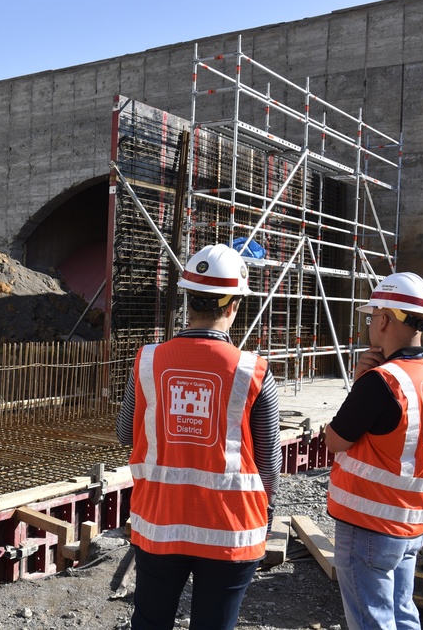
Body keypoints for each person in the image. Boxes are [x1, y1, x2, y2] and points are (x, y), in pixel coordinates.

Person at [116, 243, 281, 630]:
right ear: (234, 306)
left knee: (150, 621)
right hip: (231, 528)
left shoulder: (148, 361)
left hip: (160, 522)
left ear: (187, 300)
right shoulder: (254, 371)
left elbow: (126, 433)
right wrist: (267, 513)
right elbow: (269, 466)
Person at [325, 272, 423, 630]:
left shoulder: (382, 382)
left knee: (372, 622)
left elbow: (335, 440)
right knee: (402, 614)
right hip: (411, 523)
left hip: (369, 523)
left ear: (382, 320)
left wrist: (361, 384)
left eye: (372, 317)